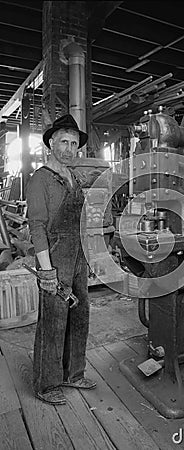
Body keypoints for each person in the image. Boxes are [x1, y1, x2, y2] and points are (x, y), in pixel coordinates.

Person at [26, 114, 96, 405]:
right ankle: (46, 384)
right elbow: (37, 227)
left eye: (74, 143)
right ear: (51, 144)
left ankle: (73, 373)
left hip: (78, 257)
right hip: (54, 259)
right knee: (53, 323)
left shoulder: (75, 177)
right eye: (63, 142)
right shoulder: (40, 179)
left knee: (80, 316)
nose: (69, 148)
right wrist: (46, 271)